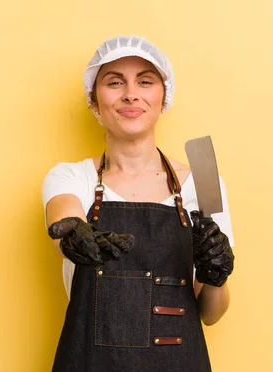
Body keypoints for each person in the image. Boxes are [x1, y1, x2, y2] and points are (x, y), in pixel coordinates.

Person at [41, 35, 235, 372]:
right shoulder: (72, 178)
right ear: (94, 99)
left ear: (163, 97)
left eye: (144, 81)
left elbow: (211, 313)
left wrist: (216, 275)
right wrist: (72, 236)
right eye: (115, 82)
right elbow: (64, 219)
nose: (131, 93)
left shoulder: (202, 183)